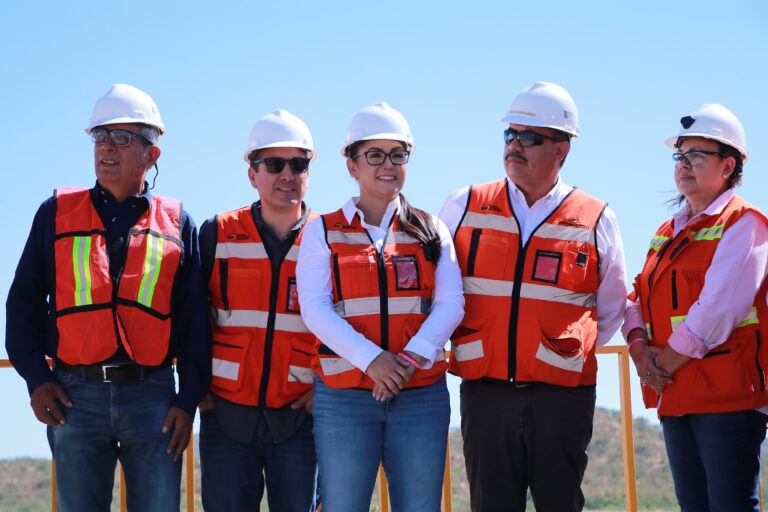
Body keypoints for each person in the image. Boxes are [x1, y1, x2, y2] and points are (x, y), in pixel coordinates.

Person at [5, 83, 211, 511]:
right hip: (73, 398)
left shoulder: (178, 224)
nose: (107, 148)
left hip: (153, 396)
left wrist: (186, 399)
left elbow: (195, 322)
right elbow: (22, 303)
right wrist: (36, 380)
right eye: (100, 137)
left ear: (152, 154)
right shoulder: (55, 213)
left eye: (122, 138)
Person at [439, 81, 627, 512]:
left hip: (562, 398)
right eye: (510, 135)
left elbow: (611, 309)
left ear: (561, 150)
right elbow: (438, 291)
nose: (514, 146)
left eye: (529, 138)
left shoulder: (597, 218)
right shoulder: (463, 205)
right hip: (485, 394)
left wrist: (559, 353)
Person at [297, 102, 464, 511]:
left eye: (397, 154)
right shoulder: (323, 229)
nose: (387, 165)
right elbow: (315, 307)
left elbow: (451, 302)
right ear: (352, 165)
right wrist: (372, 361)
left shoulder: (430, 228)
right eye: (374, 154)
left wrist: (407, 360)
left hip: (420, 393)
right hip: (344, 398)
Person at [623, 103, 768, 510]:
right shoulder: (667, 232)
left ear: (727, 167)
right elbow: (635, 297)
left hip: (728, 397)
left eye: (696, 157)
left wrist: (659, 367)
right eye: (680, 156)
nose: (683, 165)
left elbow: (716, 311)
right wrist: (638, 349)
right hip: (677, 392)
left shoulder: (745, 224)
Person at [198, 109, 318, 511]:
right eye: (274, 164)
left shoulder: (329, 237)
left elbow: (347, 321)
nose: (287, 174)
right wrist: (197, 387)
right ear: (253, 174)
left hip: (300, 417)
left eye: (298, 164)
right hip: (225, 415)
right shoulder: (216, 232)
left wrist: (326, 386)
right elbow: (193, 318)